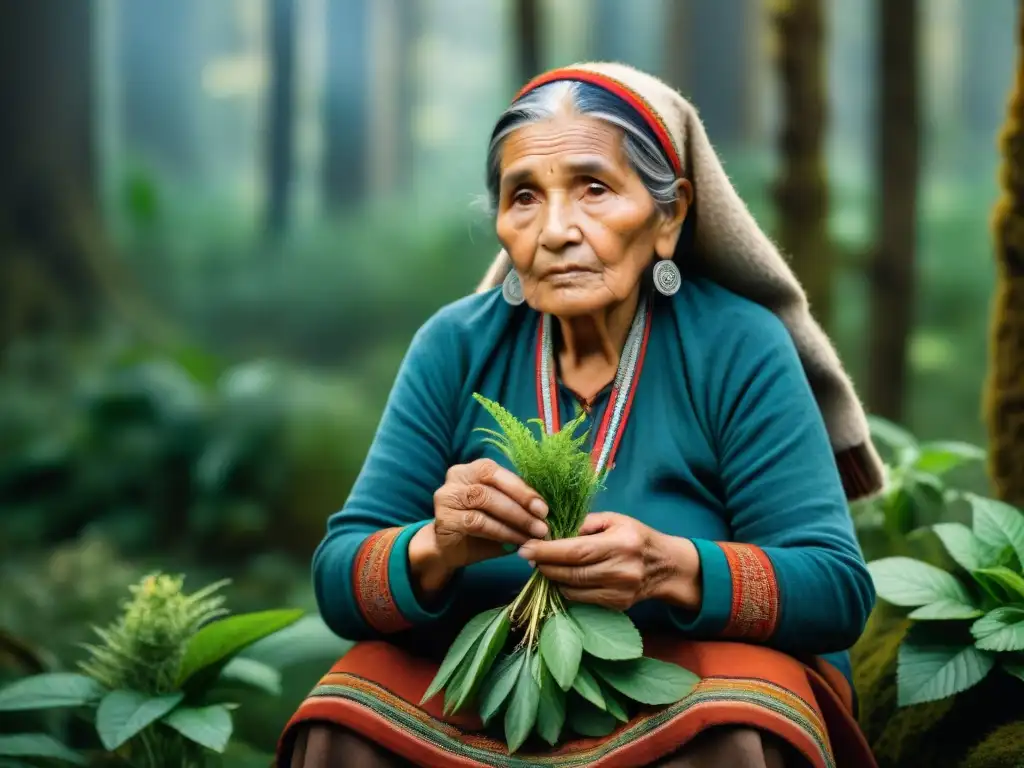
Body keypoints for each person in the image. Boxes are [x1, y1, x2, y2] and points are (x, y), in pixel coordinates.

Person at [277, 62, 884, 768]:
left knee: (734, 734)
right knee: (338, 722)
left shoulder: (735, 344)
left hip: (685, 690)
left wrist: (670, 568)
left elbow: (836, 587)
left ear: (670, 215)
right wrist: (435, 548)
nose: (556, 229)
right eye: (524, 196)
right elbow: (338, 577)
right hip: (489, 683)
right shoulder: (455, 344)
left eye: (594, 189)